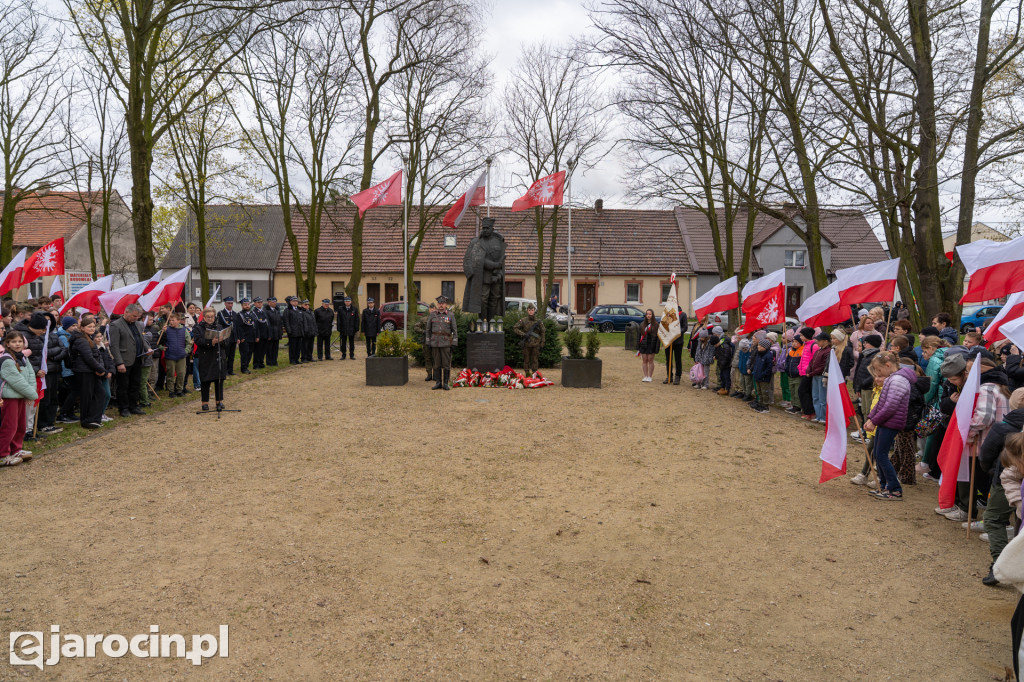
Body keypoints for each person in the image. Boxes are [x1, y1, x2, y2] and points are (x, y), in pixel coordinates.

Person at [979, 388, 1024, 586]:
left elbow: (986, 454)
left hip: (1004, 482)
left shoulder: (1003, 427)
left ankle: (999, 564)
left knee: (993, 519)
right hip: (1011, 481)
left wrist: (990, 471)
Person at [863, 351, 916, 500]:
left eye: (879, 370)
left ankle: (895, 489)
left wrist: (874, 421)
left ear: (888, 365)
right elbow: (881, 402)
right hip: (884, 421)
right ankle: (884, 485)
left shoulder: (898, 380)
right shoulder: (891, 379)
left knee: (881, 455)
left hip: (891, 422)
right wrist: (870, 418)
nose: (878, 374)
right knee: (879, 453)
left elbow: (890, 406)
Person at [0, 331, 38, 464]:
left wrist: (30, 393)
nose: (17, 344)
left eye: (20, 341)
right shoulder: (6, 359)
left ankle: (16, 449)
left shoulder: (23, 357)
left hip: (21, 396)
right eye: (14, 342)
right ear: (8, 344)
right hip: (10, 397)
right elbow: (16, 380)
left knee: (21, 425)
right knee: (9, 426)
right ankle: (3, 454)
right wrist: (31, 394)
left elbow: (31, 376)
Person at [107, 303, 151, 417]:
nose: (136, 318)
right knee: (123, 386)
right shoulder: (116, 325)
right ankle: (124, 408)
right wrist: (119, 362)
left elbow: (141, 338)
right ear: (126, 312)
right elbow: (114, 346)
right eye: (134, 316)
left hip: (137, 358)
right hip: (124, 360)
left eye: (137, 316)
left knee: (135, 384)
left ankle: (134, 406)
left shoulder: (137, 324)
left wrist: (147, 348)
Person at [68, 317, 107, 429]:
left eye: (93, 326)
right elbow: (88, 358)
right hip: (84, 371)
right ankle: (86, 420)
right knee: (87, 396)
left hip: (91, 371)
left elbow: (95, 356)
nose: (92, 328)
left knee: (100, 393)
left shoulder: (88, 338)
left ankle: (94, 418)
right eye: (89, 326)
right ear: (82, 328)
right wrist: (101, 369)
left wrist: (99, 368)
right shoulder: (81, 340)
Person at [193, 307, 228, 411]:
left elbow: (227, 342)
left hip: (218, 356)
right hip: (206, 357)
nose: (210, 319)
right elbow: (198, 341)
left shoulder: (219, 326)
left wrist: (221, 340)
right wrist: (210, 342)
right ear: (204, 317)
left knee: (219, 380)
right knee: (205, 381)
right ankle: (205, 403)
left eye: (212, 317)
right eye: (208, 317)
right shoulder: (198, 327)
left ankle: (219, 401)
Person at [425, 295, 457, 390]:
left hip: (446, 343)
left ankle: (445, 383)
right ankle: (438, 382)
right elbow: (428, 330)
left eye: (442, 303)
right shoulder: (432, 315)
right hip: (435, 342)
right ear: (437, 304)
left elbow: (454, 330)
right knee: (437, 364)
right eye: (439, 303)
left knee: (446, 364)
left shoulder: (450, 315)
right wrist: (428, 341)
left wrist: (454, 342)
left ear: (446, 304)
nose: (441, 305)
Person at [513, 303, 545, 376]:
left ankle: (534, 374)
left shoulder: (538, 321)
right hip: (526, 344)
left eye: (532, 310)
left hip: (536, 344)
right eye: (529, 310)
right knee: (526, 360)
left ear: (534, 311)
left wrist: (542, 342)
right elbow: (515, 328)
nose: (531, 311)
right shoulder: (523, 320)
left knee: (535, 360)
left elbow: (543, 332)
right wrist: (523, 334)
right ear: (527, 311)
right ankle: (527, 375)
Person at [163, 313, 191, 397]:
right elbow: (159, 340)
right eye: (170, 320)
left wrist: (186, 351)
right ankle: (171, 391)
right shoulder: (166, 329)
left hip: (181, 356)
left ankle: (179, 390)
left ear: (178, 321)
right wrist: (161, 347)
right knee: (170, 374)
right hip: (170, 355)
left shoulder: (184, 330)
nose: (171, 322)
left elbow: (189, 342)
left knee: (181, 373)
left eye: (173, 320)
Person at [797, 327, 818, 421]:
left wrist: (810, 371)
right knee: (806, 392)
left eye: (801, 335)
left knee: (803, 391)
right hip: (803, 372)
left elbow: (815, 360)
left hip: (809, 373)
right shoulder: (806, 345)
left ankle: (809, 411)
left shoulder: (814, 346)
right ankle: (808, 411)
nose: (800, 337)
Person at [749, 337, 775, 412]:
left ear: (765, 347)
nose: (758, 347)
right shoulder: (758, 354)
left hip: (764, 378)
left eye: (760, 346)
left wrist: (763, 374)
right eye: (758, 345)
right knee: (759, 391)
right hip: (757, 375)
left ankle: (765, 406)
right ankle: (760, 403)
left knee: (764, 392)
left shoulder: (768, 356)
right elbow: (756, 364)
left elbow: (768, 368)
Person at [414, 302, 436, 381]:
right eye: (431, 309)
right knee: (428, 358)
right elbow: (416, 327)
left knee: (436, 358)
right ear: (429, 310)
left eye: (434, 309)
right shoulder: (424, 319)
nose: (432, 310)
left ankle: (436, 375)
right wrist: (423, 331)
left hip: (436, 341)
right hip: (426, 341)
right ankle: (429, 374)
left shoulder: (438, 319)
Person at [234, 298, 257, 374]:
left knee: (250, 352)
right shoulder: (240, 315)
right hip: (244, 338)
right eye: (245, 305)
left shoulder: (252, 314)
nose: (247, 306)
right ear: (242, 306)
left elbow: (254, 326)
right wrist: (241, 337)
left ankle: (246, 365)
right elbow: (239, 327)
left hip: (252, 337)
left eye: (248, 304)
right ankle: (243, 368)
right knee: (244, 353)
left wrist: (256, 336)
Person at [216, 296, 238, 375]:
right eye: (228, 303)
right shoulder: (221, 313)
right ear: (225, 304)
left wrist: (237, 337)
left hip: (233, 337)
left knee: (232, 355)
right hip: (225, 338)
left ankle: (230, 370)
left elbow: (236, 327)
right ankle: (224, 371)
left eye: (231, 303)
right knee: (225, 355)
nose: (230, 305)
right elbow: (220, 326)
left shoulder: (235, 314)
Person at [637, 309, 659, 382]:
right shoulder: (642, 324)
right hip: (643, 345)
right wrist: (638, 346)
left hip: (651, 345)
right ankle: (645, 376)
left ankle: (650, 376)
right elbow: (639, 336)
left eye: (650, 314)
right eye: (647, 314)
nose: (648, 315)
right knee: (644, 360)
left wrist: (656, 347)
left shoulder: (656, 324)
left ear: (652, 315)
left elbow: (658, 337)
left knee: (650, 360)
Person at [283, 296, 304, 365]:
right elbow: (286, 321)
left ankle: (296, 359)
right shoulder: (287, 310)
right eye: (294, 301)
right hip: (292, 331)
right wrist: (289, 331)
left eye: (296, 301)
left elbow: (301, 321)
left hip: (299, 331)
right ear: (290, 302)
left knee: (298, 346)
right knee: (293, 346)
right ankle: (292, 359)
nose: (295, 302)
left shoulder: (299, 310)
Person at [252, 297, 270, 369]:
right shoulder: (254, 312)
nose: (260, 304)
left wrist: (268, 334)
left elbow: (267, 324)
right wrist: (257, 336)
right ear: (255, 303)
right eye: (258, 303)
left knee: (263, 350)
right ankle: (256, 364)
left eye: (261, 302)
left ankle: (261, 362)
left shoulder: (263, 311)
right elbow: (255, 326)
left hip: (265, 334)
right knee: (257, 350)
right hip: (259, 334)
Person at [264, 297, 282, 366]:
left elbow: (280, 322)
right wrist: (269, 334)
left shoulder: (277, 310)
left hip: (277, 332)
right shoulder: (266, 311)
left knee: (275, 348)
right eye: (272, 302)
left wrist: (280, 332)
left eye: (275, 302)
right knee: (269, 348)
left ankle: (274, 361)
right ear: (269, 303)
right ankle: (269, 362)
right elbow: (268, 323)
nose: (274, 303)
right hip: (271, 332)